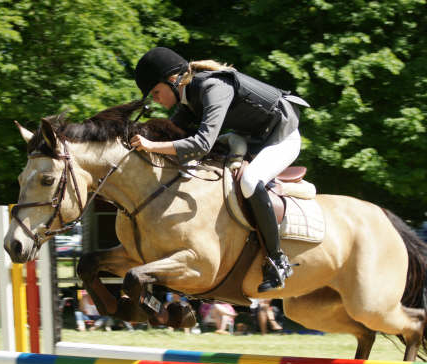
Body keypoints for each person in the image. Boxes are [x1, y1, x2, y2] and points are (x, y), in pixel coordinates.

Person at [131, 47, 309, 292]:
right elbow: (169, 134)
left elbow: (201, 144)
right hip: (253, 139)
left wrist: (152, 145)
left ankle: (277, 260)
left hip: (283, 136)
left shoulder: (213, 87)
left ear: (172, 80)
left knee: (249, 181)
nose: (155, 99)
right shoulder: (189, 100)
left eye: (156, 92)